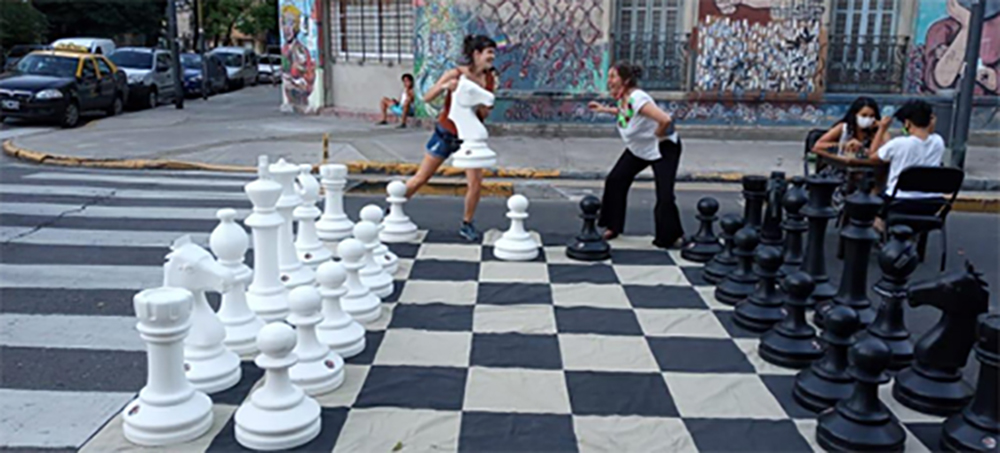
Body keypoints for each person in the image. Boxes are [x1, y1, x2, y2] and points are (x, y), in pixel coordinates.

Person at [403, 35, 497, 242]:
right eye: (489, 52)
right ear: (476, 54)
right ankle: (392, 207)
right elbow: (426, 97)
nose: (493, 57)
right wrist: (445, 87)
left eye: (493, 52)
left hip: (470, 138)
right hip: (446, 133)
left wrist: (481, 106)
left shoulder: (490, 78)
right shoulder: (455, 73)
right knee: (422, 177)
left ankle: (467, 223)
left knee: (475, 183)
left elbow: (486, 111)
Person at [588, 62, 685, 249]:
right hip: (639, 149)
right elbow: (627, 113)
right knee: (616, 180)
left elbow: (665, 119)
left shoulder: (638, 97)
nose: (609, 81)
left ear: (625, 80)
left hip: (663, 148)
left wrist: (659, 133)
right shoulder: (624, 98)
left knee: (664, 195)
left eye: (613, 77)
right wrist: (604, 109)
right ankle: (613, 225)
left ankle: (671, 236)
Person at [867, 99, 946, 228]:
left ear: (907, 123)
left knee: (873, 203)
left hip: (900, 201)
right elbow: (929, 133)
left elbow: (872, 156)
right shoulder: (939, 142)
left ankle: (883, 234)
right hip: (931, 203)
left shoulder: (899, 144)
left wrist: (882, 129)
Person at [812, 96, 881, 158]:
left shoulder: (878, 132)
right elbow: (818, 145)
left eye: (871, 116)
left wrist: (882, 129)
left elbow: (875, 154)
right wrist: (844, 146)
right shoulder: (843, 128)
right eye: (864, 115)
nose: (867, 119)